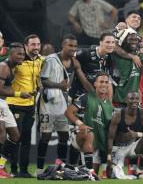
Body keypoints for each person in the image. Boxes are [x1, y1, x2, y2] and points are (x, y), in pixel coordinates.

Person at [36, 35, 93, 174]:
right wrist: (59, 85)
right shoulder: (51, 59)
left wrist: (94, 94)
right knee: (46, 136)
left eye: (75, 46)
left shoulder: (74, 62)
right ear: (63, 45)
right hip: (47, 102)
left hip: (63, 102)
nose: (73, 49)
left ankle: (60, 167)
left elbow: (82, 79)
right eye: (70, 46)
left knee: (64, 136)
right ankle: (38, 169)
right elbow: (42, 81)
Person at [6, 34, 43, 177]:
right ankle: (13, 170)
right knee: (16, 138)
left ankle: (23, 170)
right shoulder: (17, 61)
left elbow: (39, 78)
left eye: (38, 44)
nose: (36, 47)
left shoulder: (40, 60)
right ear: (26, 46)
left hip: (30, 106)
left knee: (26, 138)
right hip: (15, 104)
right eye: (33, 45)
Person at [65, 72, 113, 177]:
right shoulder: (86, 97)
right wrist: (80, 124)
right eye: (101, 82)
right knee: (89, 134)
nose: (104, 84)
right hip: (79, 134)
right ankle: (89, 171)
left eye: (106, 82)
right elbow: (68, 112)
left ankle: (68, 168)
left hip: (97, 142)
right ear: (95, 84)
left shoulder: (109, 105)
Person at [107, 92, 143, 179]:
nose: (134, 101)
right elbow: (110, 138)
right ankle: (114, 166)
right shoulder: (118, 115)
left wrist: (137, 134)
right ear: (126, 100)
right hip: (118, 148)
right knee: (113, 176)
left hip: (132, 147)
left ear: (140, 100)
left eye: (137, 99)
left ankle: (140, 172)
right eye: (131, 99)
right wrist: (109, 157)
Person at [0, 43, 26, 178]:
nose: (22, 57)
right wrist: (18, 94)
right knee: (2, 135)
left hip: (3, 103)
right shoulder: (4, 67)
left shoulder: (14, 67)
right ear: (11, 54)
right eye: (19, 54)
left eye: (23, 54)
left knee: (15, 136)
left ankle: (1, 165)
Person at [112, 29, 141, 108]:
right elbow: (114, 46)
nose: (134, 41)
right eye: (131, 39)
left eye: (135, 39)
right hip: (120, 99)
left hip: (135, 100)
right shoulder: (117, 55)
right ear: (123, 40)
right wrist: (131, 56)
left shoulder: (139, 55)